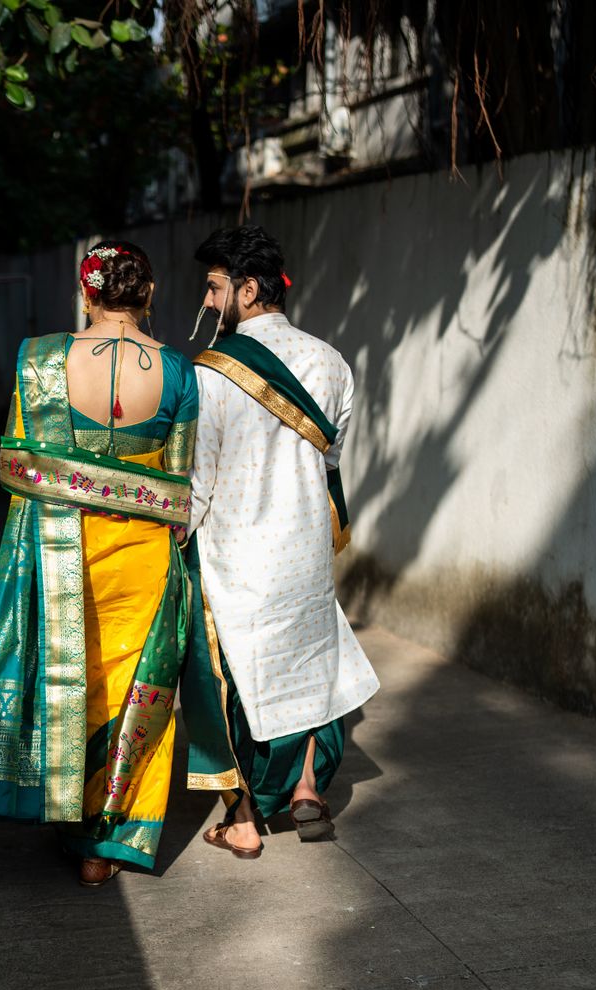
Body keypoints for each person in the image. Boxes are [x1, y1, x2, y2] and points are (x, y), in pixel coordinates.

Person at [0, 241, 198, 886]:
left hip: (63, 549)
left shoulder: (39, 360)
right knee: (138, 689)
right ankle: (105, 844)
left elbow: (15, 467)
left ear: (85, 292)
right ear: (150, 292)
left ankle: (58, 805)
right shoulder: (177, 370)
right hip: (143, 558)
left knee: (70, 681)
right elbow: (178, 483)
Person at [181, 223, 379, 858]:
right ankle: (307, 789)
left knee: (234, 682)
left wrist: (170, 536)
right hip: (304, 550)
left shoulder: (210, 373)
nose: (208, 303)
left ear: (247, 288)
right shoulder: (331, 361)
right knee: (312, 668)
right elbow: (330, 461)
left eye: (214, 288)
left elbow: (200, 480)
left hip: (237, 554)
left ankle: (241, 823)